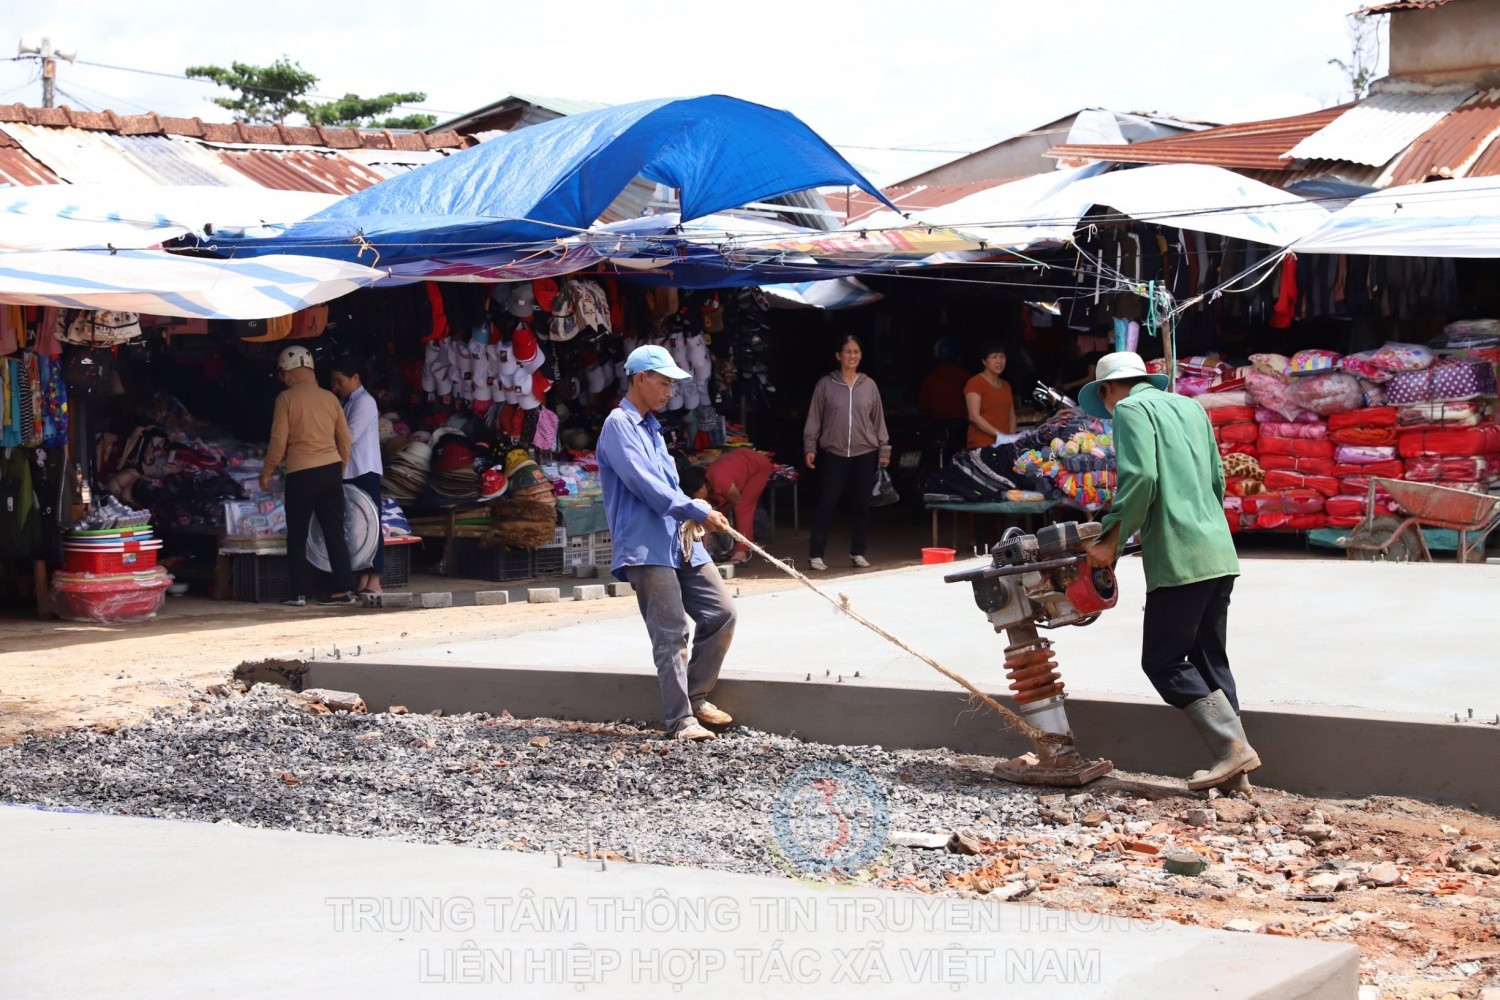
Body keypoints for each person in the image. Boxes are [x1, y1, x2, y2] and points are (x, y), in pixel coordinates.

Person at [1082, 351, 1258, 793]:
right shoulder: (1191, 406)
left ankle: (1231, 750)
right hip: (1218, 549)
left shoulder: (1129, 408)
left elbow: (1140, 477)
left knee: (1162, 660)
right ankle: (1238, 773)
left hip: (1180, 555)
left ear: (1107, 389)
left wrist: (1110, 540)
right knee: (1208, 657)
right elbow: (1217, 478)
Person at [598, 344, 737, 742]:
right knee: (671, 631)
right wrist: (695, 510)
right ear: (640, 378)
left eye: (672, 385)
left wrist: (696, 513)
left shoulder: (654, 429)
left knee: (722, 613)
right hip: (645, 546)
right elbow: (646, 485)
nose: (669, 391)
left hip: (677, 541)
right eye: (663, 382)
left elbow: (668, 488)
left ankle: (695, 696)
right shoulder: (617, 425)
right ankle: (680, 720)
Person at [259, 346, 356, 608]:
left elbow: (279, 440)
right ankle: (343, 589)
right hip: (331, 469)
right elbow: (345, 439)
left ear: (287, 373)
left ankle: (299, 592)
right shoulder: (331, 399)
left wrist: (267, 471)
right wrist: (341, 467)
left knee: (298, 534)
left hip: (301, 472)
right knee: (334, 532)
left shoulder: (285, 399)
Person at [803, 334, 890, 571]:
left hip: (865, 451)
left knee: (862, 504)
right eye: (848, 352)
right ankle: (816, 554)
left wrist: (884, 448)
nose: (852, 356)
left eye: (856, 352)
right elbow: (814, 418)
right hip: (835, 451)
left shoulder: (869, 385)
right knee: (828, 502)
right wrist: (810, 447)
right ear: (838, 356)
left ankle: (858, 552)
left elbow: (878, 419)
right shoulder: (826, 385)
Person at [330, 355, 383, 598]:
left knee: (371, 524)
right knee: (357, 527)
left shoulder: (365, 402)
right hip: (351, 470)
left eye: (340, 381)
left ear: (355, 378)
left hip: (364, 470)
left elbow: (349, 435)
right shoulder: (348, 402)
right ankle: (363, 577)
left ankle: (375, 579)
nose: (336, 387)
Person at [679, 447, 774, 566]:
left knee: (742, 508)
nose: (696, 499)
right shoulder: (709, 484)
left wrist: (722, 508)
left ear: (702, 486)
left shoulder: (720, 480)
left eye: (694, 495)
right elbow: (706, 518)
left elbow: (736, 499)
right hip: (740, 464)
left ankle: (741, 553)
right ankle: (729, 550)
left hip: (757, 466)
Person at [917, 338, 971, 450]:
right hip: (960, 425)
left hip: (938, 425)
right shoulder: (964, 376)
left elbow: (923, 405)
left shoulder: (931, 377)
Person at [965, 342, 1016, 448]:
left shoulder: (1006, 385)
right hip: (982, 444)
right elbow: (973, 416)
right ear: (984, 361)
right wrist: (1000, 435)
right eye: (994, 357)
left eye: (1002, 356)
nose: (999, 361)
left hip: (1004, 445)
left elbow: (1011, 416)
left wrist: (1011, 438)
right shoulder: (975, 382)